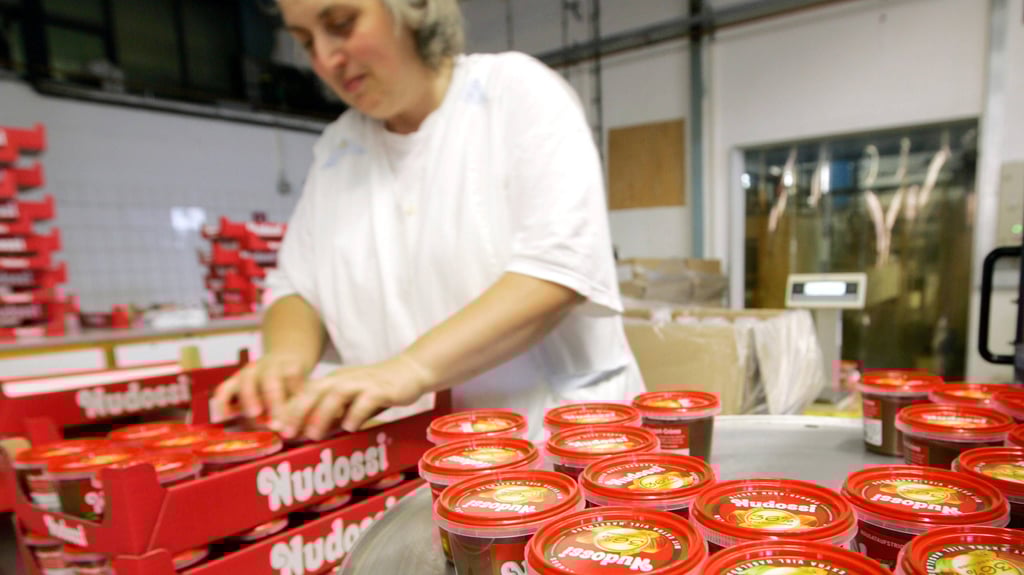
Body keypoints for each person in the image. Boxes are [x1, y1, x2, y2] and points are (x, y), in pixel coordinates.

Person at [212, 0, 645, 443]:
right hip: (422, 452)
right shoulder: (340, 148)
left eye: (341, 24)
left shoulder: (512, 93)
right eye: (305, 42)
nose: (325, 59)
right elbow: (297, 288)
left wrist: (411, 368)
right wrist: (285, 358)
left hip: (558, 443)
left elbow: (558, 270)